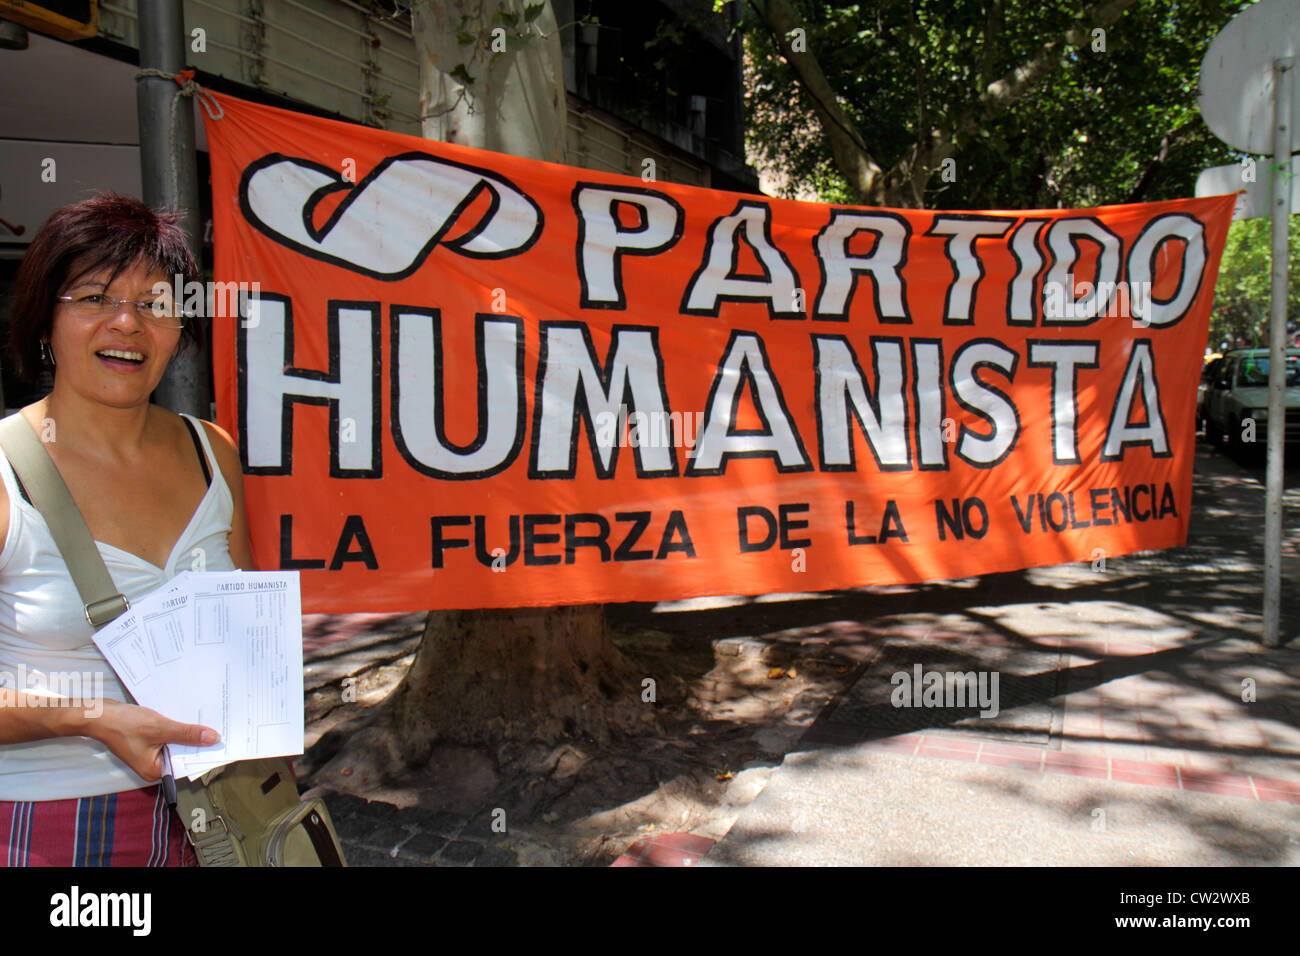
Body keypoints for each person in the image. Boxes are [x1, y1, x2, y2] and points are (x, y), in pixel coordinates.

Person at [0, 193, 254, 866]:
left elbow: (243, 637)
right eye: (94, 299)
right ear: (44, 321)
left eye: (155, 303)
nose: (127, 324)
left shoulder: (212, 451)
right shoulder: (3, 470)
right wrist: (90, 718)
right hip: (49, 823)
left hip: (219, 812)